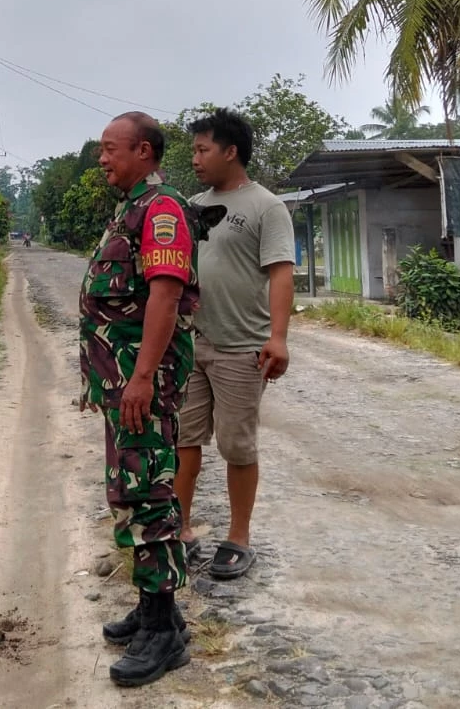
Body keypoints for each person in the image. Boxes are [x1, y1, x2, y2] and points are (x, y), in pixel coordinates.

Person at [80, 111, 203, 688]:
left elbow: (165, 295)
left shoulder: (161, 211)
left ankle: (162, 635)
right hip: (122, 382)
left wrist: (144, 376)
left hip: (141, 384)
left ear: (145, 152)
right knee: (132, 487)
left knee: (151, 493)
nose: (103, 159)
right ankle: (160, 611)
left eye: (112, 149)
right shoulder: (130, 209)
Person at [175, 108, 295, 581]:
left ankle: (238, 536)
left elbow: (281, 272)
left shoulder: (267, 206)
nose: (197, 158)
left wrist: (278, 338)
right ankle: (180, 530)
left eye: (203, 149)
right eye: (194, 150)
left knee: (237, 445)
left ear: (231, 151)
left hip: (242, 346)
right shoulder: (188, 206)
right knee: (184, 439)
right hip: (189, 342)